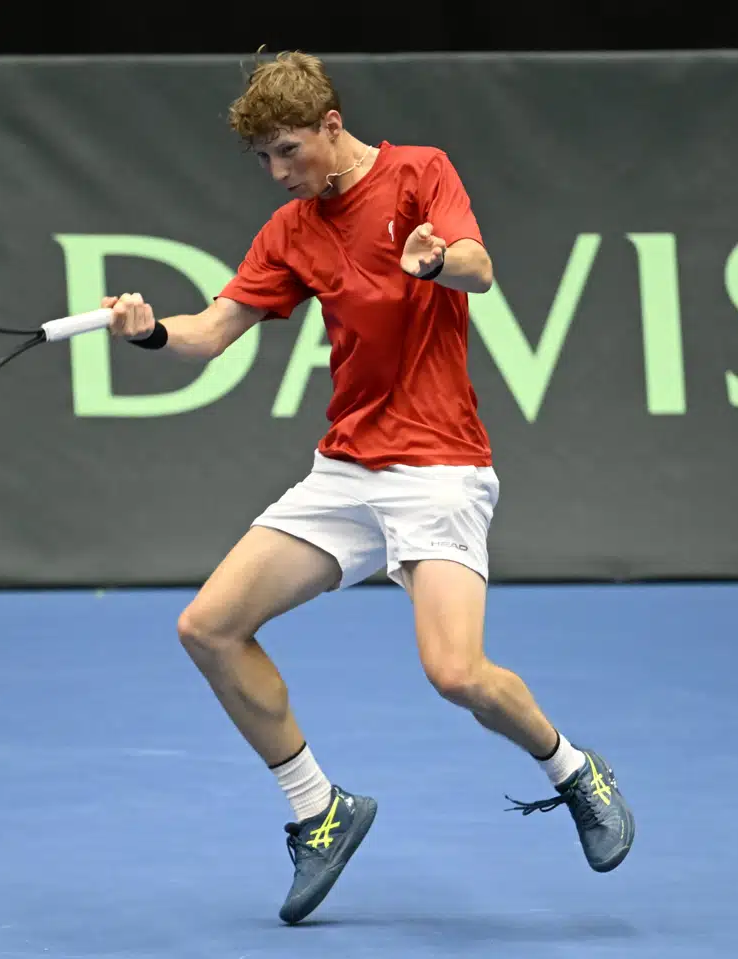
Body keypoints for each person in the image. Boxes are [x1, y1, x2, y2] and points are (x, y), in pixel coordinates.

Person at [100, 50, 634, 924]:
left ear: (331, 127)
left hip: (440, 468)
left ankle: (574, 769)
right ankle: (319, 809)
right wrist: (151, 330)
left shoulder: (421, 171)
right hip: (347, 470)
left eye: (287, 152)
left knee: (455, 672)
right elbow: (210, 332)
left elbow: (479, 267)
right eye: (264, 160)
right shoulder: (292, 230)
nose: (278, 174)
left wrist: (430, 263)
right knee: (208, 627)